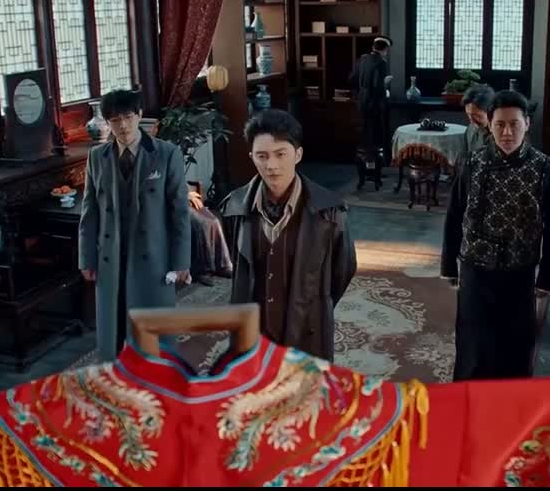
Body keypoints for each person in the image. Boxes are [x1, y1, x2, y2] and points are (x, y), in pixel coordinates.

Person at [442, 90, 550, 381]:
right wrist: (449, 264)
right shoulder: (472, 163)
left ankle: (510, 404)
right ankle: (470, 400)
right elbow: (454, 214)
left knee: (515, 348)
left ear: (527, 124)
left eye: (514, 124)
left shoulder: (543, 168)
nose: (507, 132)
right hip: (475, 269)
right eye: (500, 124)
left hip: (519, 271)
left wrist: (546, 278)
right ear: (489, 124)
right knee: (473, 346)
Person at [218, 110, 357, 361]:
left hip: (307, 327)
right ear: (252, 157)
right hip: (252, 328)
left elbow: (343, 270)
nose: (271, 165)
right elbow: (235, 264)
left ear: (298, 154)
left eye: (280, 154)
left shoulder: (330, 211)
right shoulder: (234, 208)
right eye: (262, 156)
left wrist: (314, 304)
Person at [79, 87, 191, 359]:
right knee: (114, 326)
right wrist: (86, 258)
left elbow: (179, 212)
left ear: (140, 115)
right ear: (108, 122)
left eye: (128, 117)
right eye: (115, 120)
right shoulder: (97, 157)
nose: (123, 126)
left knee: (154, 331)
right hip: (111, 255)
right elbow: (89, 211)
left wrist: (181, 262)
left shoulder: (166, 153)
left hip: (153, 255)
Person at [350, 36, 392, 152]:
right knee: (376, 130)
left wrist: (360, 93)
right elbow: (377, 86)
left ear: (373, 47)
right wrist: (385, 86)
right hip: (375, 102)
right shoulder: (381, 63)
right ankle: (375, 156)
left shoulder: (362, 59)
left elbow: (352, 79)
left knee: (365, 129)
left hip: (362, 100)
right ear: (385, 49)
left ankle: (363, 155)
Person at [460, 84, 495, 174]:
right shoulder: (470, 129)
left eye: (477, 115)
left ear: (491, 112)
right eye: (468, 114)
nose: (472, 121)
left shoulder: (502, 136)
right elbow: (465, 159)